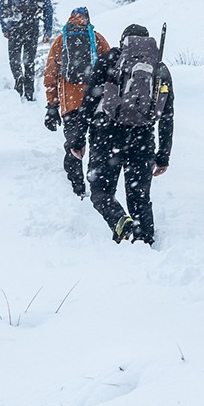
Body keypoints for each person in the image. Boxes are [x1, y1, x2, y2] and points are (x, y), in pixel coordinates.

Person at [69, 24, 174, 245]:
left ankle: (120, 222)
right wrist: (163, 155)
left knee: (100, 192)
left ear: (123, 42)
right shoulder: (159, 68)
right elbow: (166, 116)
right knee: (140, 197)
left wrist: (77, 139)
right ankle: (146, 243)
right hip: (142, 139)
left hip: (106, 136)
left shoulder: (109, 60)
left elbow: (88, 101)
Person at [43, 7, 111, 198]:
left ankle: (77, 188)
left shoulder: (61, 41)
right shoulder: (97, 39)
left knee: (73, 144)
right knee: (97, 144)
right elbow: (112, 69)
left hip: (70, 104)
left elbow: (51, 75)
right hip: (96, 102)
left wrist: (52, 106)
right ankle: (97, 186)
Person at [0, 0, 53, 101]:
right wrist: (47, 31)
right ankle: (29, 92)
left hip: (15, 28)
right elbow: (48, 11)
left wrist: (5, 28)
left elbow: (1, 7)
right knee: (29, 61)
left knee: (14, 60)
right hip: (32, 27)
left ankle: (18, 80)